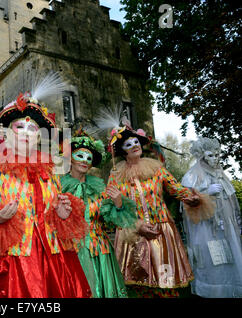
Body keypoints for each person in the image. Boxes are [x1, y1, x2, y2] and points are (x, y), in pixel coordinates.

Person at [0, 74, 91, 298]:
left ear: (39, 137)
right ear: (7, 132)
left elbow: (52, 210)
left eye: (32, 129)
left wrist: (61, 215)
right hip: (10, 258)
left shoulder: (50, 171)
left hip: (51, 255)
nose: (26, 133)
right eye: (19, 127)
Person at [101, 119, 215, 298]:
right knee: (142, 284)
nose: (134, 146)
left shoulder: (156, 169)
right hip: (134, 232)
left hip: (160, 232)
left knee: (166, 280)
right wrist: (134, 223)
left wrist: (192, 198)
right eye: (128, 144)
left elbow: (175, 188)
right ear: (122, 151)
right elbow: (109, 206)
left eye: (136, 142)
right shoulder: (116, 175)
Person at [60, 128, 137, 298]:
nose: (85, 161)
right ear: (70, 159)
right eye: (80, 156)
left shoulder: (99, 189)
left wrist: (118, 203)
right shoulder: (58, 187)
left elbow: (112, 222)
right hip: (71, 251)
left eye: (89, 158)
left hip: (99, 250)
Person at [180, 137, 242, 297]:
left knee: (228, 256)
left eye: (217, 154)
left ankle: (229, 288)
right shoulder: (191, 177)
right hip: (204, 227)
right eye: (211, 155)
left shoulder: (221, 175)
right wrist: (205, 192)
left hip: (225, 226)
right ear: (202, 156)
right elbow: (186, 203)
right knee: (211, 259)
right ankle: (212, 290)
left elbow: (231, 202)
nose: (216, 158)